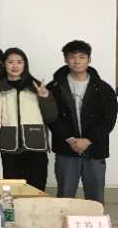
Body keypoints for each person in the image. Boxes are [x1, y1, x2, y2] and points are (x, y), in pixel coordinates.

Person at [48, 40, 117, 204]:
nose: (77, 61)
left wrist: (88, 140)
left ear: (89, 60)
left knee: (95, 199)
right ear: (65, 60)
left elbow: (109, 119)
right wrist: (71, 139)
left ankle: (95, 222)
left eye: (82, 57)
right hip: (66, 148)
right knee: (65, 197)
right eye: (72, 57)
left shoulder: (103, 88)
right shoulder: (54, 87)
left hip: (94, 148)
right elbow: (51, 117)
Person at [0, 47, 57, 191]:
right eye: (10, 62)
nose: (15, 66)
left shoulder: (37, 87)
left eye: (19, 62)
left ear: (25, 64)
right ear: (4, 64)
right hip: (7, 149)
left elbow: (51, 117)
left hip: (35, 148)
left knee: (36, 190)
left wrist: (44, 97)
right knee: (10, 192)